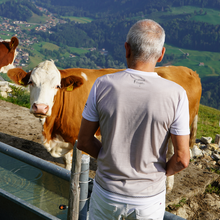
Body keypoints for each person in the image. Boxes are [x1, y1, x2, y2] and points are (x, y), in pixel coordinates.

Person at [77, 19, 190, 220]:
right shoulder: (177, 94)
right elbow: (182, 159)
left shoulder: (102, 85)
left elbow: (84, 141)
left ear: (127, 49)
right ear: (161, 54)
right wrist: (160, 173)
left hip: (106, 193)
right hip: (148, 200)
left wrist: (109, 159)